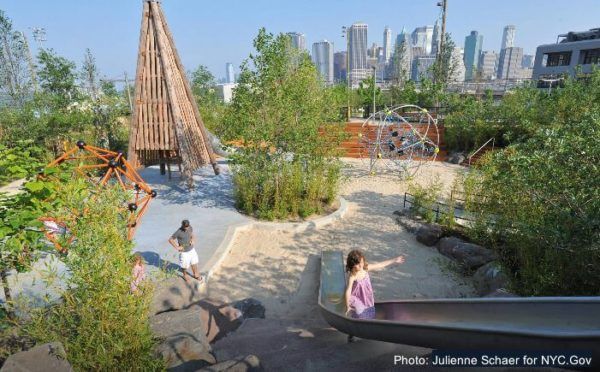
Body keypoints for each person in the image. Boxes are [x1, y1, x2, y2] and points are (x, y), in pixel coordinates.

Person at [344, 249, 405, 342]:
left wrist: (394, 260)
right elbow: (348, 290)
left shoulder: (365, 268)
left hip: (366, 297)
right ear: (352, 265)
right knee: (359, 313)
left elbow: (380, 265)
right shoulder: (353, 275)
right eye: (357, 264)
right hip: (356, 298)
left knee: (367, 314)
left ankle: (356, 331)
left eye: (361, 262)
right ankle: (352, 332)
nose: (360, 265)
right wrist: (347, 305)